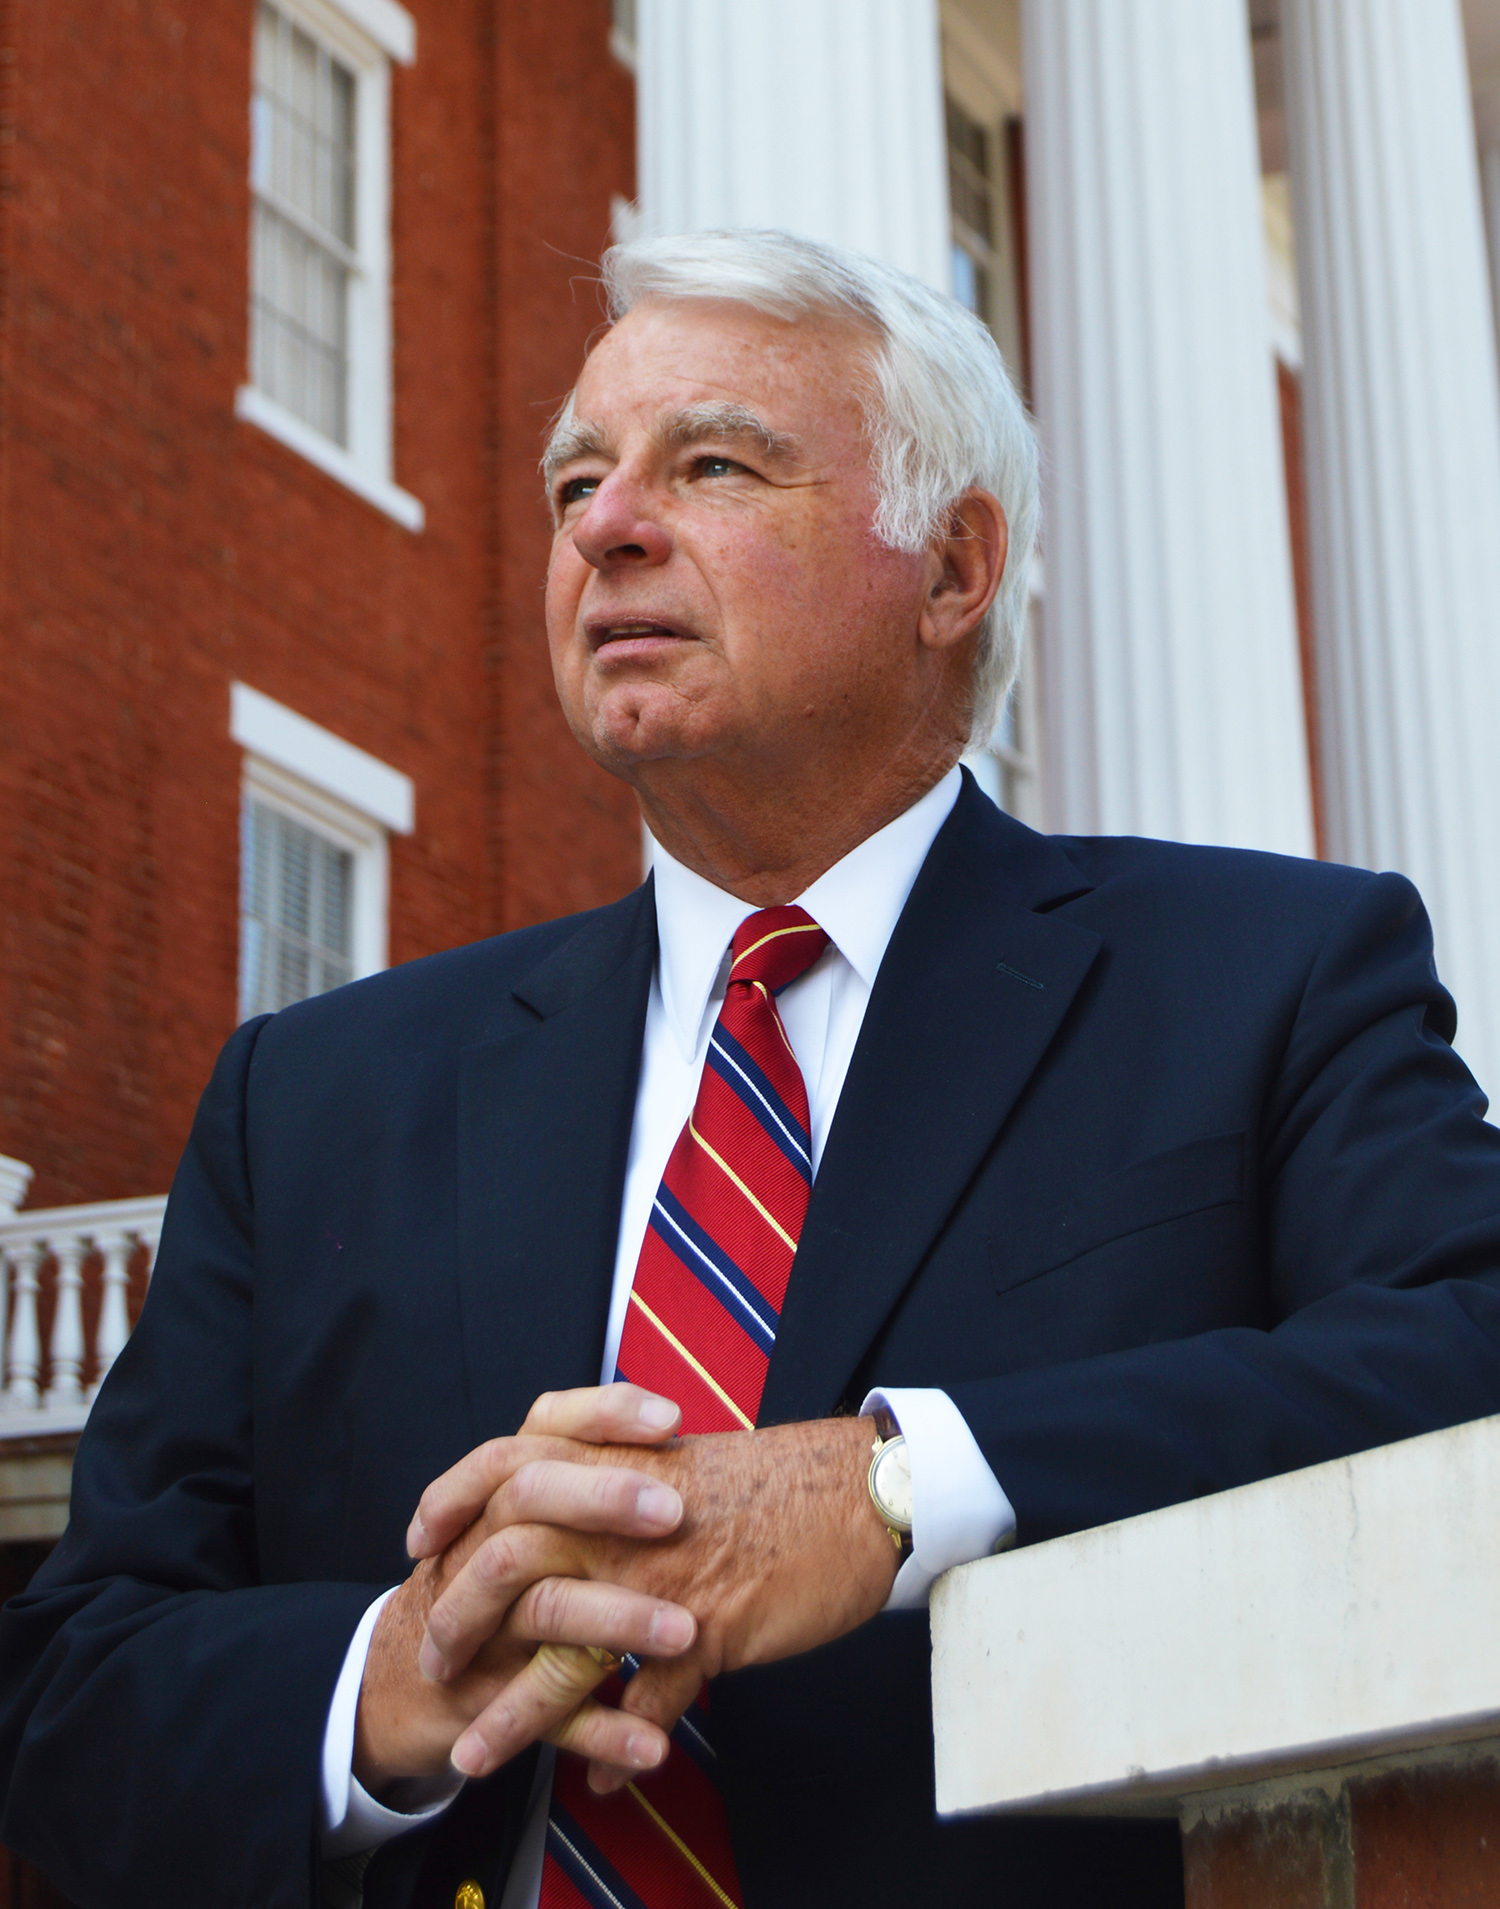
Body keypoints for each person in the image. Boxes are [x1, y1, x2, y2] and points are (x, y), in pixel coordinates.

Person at [3, 229, 1500, 1909]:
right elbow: (71, 1692)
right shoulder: (313, 1098)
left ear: (951, 568)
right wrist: (399, 1679)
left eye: (711, 462)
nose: (605, 525)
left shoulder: (1267, 978)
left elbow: (1465, 1348)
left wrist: (897, 1484)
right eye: (577, 479)